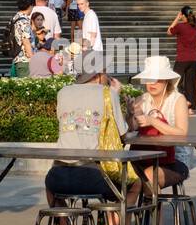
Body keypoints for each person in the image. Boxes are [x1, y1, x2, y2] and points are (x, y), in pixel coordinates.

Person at [45, 57, 138, 215]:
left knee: (51, 188)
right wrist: (117, 96)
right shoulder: (108, 94)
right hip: (94, 175)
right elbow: (122, 134)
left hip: (58, 175)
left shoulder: (63, 92)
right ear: (98, 74)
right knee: (135, 186)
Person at [126, 56, 190, 225]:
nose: (152, 84)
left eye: (157, 79)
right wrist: (131, 114)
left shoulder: (177, 99)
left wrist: (153, 121)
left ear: (167, 80)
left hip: (173, 161)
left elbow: (182, 133)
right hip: (142, 156)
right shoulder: (142, 99)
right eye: (148, 79)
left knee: (148, 176)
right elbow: (131, 129)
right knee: (130, 177)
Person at [168, 6, 196, 109]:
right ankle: (191, 106)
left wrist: (176, 18)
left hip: (182, 59)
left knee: (174, 81)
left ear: (183, 15)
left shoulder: (180, 26)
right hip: (194, 59)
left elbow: (169, 32)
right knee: (191, 84)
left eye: (181, 15)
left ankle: (174, 103)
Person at [11, 0, 35, 77]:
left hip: (18, 58)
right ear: (30, 5)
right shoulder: (24, 21)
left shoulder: (16, 17)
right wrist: (32, 59)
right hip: (25, 60)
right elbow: (26, 41)